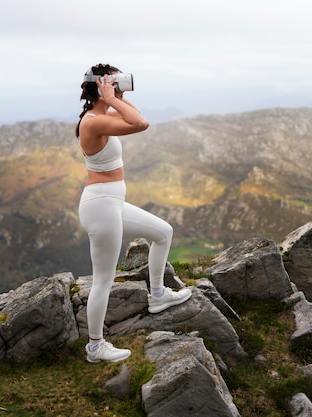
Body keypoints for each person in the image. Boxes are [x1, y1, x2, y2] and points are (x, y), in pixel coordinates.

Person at [75, 63, 191, 363]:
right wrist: (112, 97)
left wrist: (116, 95)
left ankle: (158, 295)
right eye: (113, 82)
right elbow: (141, 125)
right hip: (101, 206)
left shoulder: (101, 116)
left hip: (111, 204)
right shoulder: (91, 122)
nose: (118, 86)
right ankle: (95, 346)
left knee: (163, 232)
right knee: (104, 279)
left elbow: (135, 115)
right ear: (100, 87)